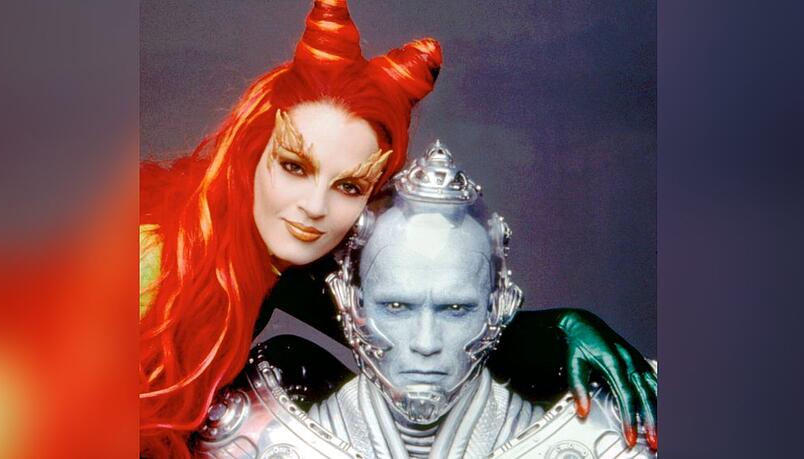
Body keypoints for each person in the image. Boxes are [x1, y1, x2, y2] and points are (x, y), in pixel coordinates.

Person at [141, 1, 655, 456]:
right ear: (249, 151)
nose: (314, 207)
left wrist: (561, 328)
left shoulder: (275, 261)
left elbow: (411, 327)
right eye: (294, 167)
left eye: (348, 186)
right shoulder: (153, 260)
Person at [190, 143, 656, 458]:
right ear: (349, 300)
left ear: (499, 307)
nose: (426, 343)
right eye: (397, 307)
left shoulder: (614, 435)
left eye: (456, 309)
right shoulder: (240, 427)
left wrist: (555, 330)